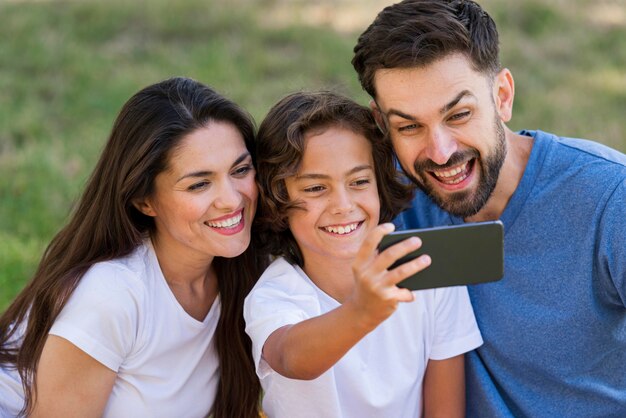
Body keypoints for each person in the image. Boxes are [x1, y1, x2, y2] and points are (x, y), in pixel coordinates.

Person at [352, 1, 626, 416]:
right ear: (382, 124)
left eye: (459, 114)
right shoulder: (375, 197)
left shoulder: (610, 196)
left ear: (501, 96)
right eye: (409, 126)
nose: (441, 153)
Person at [0, 77, 265, 418]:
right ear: (144, 201)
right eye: (199, 184)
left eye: (240, 170)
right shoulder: (113, 295)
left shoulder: (244, 272)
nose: (232, 199)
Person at [244, 91, 483, 418]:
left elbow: (445, 410)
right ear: (277, 199)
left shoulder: (429, 273)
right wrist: (362, 310)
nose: (343, 205)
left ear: (380, 185)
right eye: (315, 188)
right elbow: (290, 359)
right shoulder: (276, 295)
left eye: (359, 181)